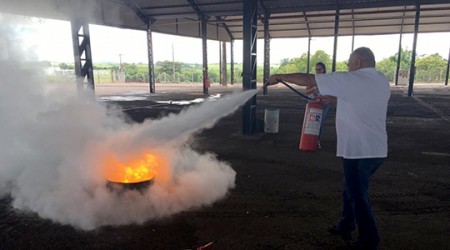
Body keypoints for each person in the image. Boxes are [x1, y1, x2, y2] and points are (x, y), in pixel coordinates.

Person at [267, 47, 390, 250]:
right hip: (374, 149)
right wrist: (332, 100)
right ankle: (346, 225)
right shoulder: (379, 80)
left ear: (358, 62)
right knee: (350, 189)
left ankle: (369, 241)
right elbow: (360, 100)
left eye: (350, 63)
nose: (348, 67)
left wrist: (279, 76)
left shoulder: (353, 78)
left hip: (359, 150)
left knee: (358, 195)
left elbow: (309, 80)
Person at [310, 62, 330, 148]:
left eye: (319, 69)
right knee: (311, 122)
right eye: (316, 69)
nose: (317, 71)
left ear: (324, 70)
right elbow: (306, 91)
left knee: (320, 123)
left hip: (323, 104)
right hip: (313, 103)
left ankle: (317, 140)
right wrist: (313, 89)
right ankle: (310, 139)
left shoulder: (328, 80)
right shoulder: (312, 79)